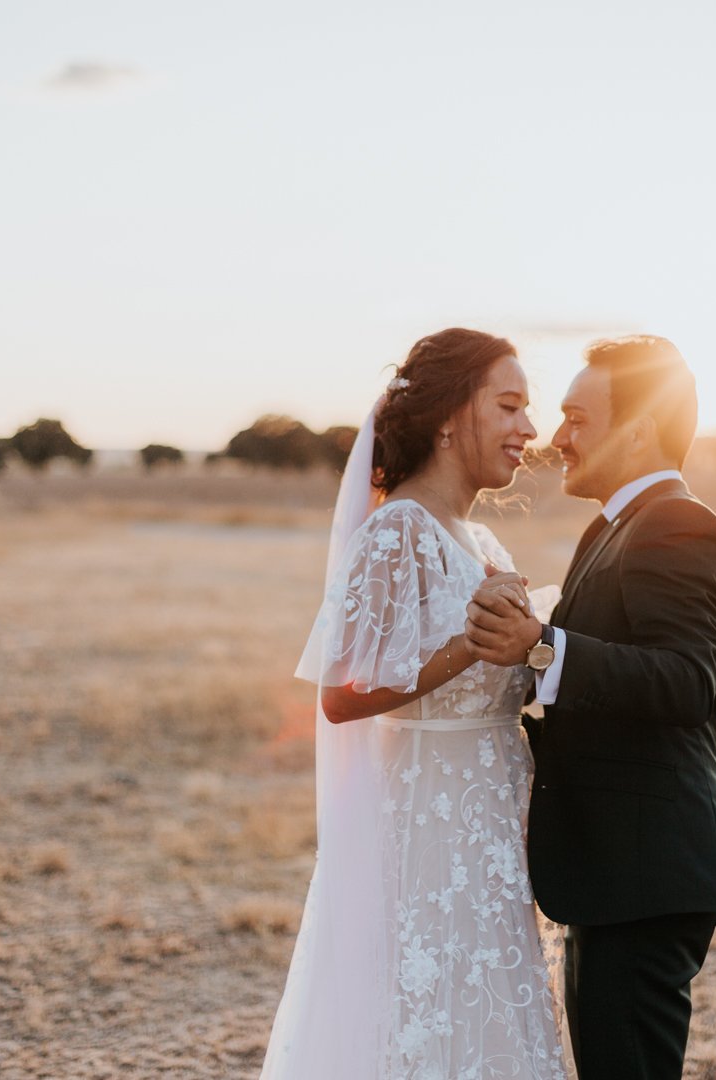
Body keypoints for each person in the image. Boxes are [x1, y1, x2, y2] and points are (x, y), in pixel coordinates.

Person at [463, 335, 716, 1080]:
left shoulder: (677, 526)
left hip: (647, 875)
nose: (556, 440)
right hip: (618, 870)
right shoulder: (614, 526)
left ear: (639, 429)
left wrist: (538, 646)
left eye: (578, 419)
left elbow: (686, 682)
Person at [261, 328, 569, 1080]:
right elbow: (341, 694)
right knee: (427, 1023)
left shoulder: (485, 542)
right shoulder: (396, 531)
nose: (529, 430)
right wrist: (470, 642)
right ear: (447, 416)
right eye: (509, 405)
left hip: (493, 827)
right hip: (429, 829)